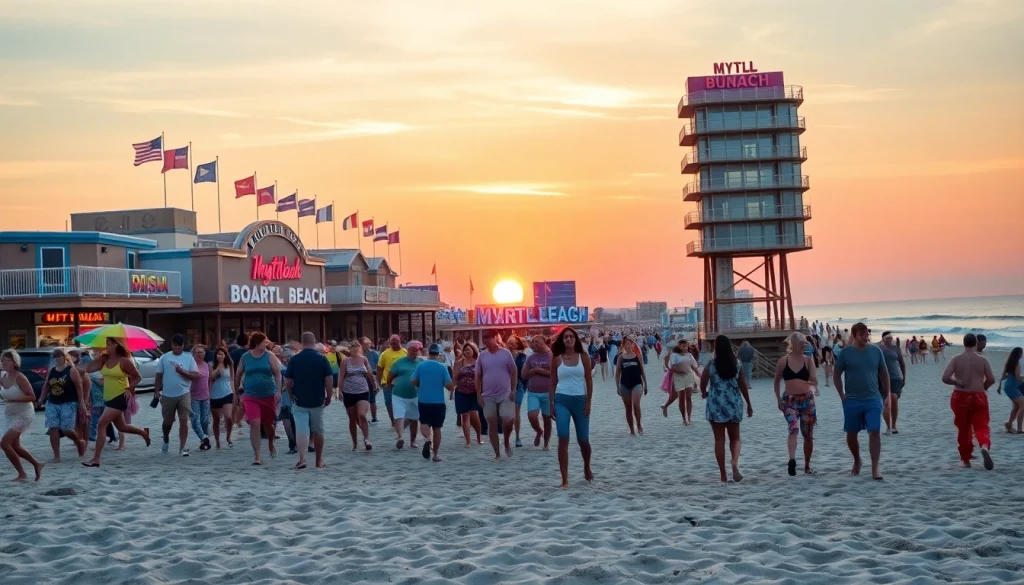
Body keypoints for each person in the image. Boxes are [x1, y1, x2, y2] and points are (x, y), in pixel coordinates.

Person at [832, 323, 889, 481]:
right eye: (862, 334)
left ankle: (875, 467)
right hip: (852, 400)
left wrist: (887, 395)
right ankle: (857, 459)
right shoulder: (846, 353)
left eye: (867, 334)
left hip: (872, 398)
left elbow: (884, 374)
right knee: (851, 433)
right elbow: (836, 375)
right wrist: (842, 395)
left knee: (875, 431)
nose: (866, 337)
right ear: (855, 335)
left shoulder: (876, 351)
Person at [83, 338, 151, 467]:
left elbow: (138, 377)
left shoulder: (124, 361)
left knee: (101, 424)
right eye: (106, 344)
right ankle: (143, 432)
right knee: (122, 427)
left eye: (109, 344)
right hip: (108, 397)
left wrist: (130, 388)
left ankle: (96, 459)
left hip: (120, 396)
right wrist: (99, 354)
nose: (107, 346)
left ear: (117, 345)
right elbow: (89, 369)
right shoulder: (105, 359)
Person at [701, 335, 753, 482]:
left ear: (716, 347)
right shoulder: (737, 363)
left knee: (719, 439)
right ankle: (735, 463)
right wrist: (748, 403)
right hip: (733, 402)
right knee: (735, 438)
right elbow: (742, 384)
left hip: (716, 403)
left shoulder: (711, 364)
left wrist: (704, 392)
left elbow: (703, 381)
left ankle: (723, 475)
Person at [941, 333, 996, 469]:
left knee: (963, 428)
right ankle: (984, 446)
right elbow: (991, 379)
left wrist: (957, 381)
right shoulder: (983, 360)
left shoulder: (956, 359)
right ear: (976, 343)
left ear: (964, 344)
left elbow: (945, 378)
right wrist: (984, 387)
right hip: (978, 396)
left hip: (960, 396)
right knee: (982, 425)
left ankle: (966, 460)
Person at [550, 327, 594, 488]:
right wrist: (550, 404)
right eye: (565, 337)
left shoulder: (584, 357)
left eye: (571, 337)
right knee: (563, 437)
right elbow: (552, 383)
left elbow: (589, 381)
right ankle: (565, 479)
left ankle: (586, 466)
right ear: (562, 340)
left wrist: (589, 401)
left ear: (576, 339)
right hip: (561, 399)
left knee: (583, 440)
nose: (568, 339)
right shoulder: (556, 358)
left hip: (580, 400)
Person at [285, 332, 334, 469]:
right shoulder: (321, 359)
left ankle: (302, 459)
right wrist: (329, 395)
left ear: (302, 342)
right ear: (314, 342)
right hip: (317, 399)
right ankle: (319, 460)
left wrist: (290, 394)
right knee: (318, 430)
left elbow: (288, 381)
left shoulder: (294, 359)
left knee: (301, 430)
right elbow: (329, 379)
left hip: (300, 399)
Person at [234, 332, 283, 466]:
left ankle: (271, 443)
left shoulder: (270, 356)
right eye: (264, 342)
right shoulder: (245, 357)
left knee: (268, 424)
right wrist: (236, 391)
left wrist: (278, 390)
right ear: (257, 343)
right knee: (255, 423)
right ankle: (257, 456)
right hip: (250, 395)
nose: (266, 343)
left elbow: (277, 374)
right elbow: (238, 374)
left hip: (268, 395)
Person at [773, 333, 818, 476]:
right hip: (789, 401)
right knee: (793, 429)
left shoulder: (808, 360)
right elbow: (776, 381)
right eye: (801, 343)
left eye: (805, 343)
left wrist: (809, 382)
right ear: (793, 344)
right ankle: (792, 460)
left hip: (807, 400)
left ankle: (807, 466)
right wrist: (778, 400)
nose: (804, 345)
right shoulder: (783, 361)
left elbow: (814, 380)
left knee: (808, 435)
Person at [154, 334, 201, 457]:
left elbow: (196, 376)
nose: (177, 348)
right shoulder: (164, 358)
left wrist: (183, 372)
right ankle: (165, 439)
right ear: (172, 345)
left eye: (179, 346)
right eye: (175, 345)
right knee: (167, 422)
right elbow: (159, 375)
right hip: (168, 395)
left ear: (183, 346)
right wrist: (156, 391)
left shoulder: (189, 358)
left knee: (184, 420)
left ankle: (182, 448)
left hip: (184, 393)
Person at [38, 348, 88, 461]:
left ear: (64, 357)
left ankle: (78, 441)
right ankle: (56, 455)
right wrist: (41, 398)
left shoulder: (71, 370)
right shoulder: (52, 370)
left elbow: (79, 386)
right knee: (53, 428)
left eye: (59, 356)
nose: (57, 359)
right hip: (52, 402)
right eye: (55, 357)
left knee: (66, 429)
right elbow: (46, 385)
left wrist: (82, 402)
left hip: (68, 402)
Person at [1, 350, 44, 481]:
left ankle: (22, 474)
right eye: (2, 361)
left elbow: (32, 396)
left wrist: (15, 399)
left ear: (14, 362)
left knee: (4, 443)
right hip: (10, 414)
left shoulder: (20, 377)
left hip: (24, 413)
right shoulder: (2, 376)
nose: (3, 363)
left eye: (6, 361)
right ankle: (37, 464)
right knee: (15, 446)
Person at [476, 330, 518, 460]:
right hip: (488, 395)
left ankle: (506, 441)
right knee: (492, 424)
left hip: (504, 393)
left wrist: (513, 390)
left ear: (495, 338)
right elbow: (478, 376)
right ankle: (497, 454)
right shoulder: (482, 355)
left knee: (508, 420)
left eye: (488, 337)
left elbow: (514, 371)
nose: (485, 340)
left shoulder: (505, 353)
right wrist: (478, 394)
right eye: (484, 338)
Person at [412, 343, 454, 462]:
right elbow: (449, 385)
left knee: (424, 423)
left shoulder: (421, 366)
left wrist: (421, 384)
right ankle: (435, 455)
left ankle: (427, 439)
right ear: (438, 354)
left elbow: (413, 381)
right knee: (437, 428)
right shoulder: (442, 367)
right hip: (438, 402)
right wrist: (450, 389)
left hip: (424, 400)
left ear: (428, 353)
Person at [387, 341, 425, 450]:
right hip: (398, 394)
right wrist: (388, 385)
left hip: (415, 395)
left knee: (414, 418)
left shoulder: (420, 363)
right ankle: (401, 437)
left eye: (416, 350)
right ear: (407, 350)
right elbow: (390, 376)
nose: (413, 352)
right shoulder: (399, 362)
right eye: (411, 350)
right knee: (399, 415)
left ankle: (413, 441)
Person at [340, 340, 375, 451]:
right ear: (350, 349)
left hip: (363, 391)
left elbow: (369, 373)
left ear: (360, 348)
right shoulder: (345, 361)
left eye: (357, 347)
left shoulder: (364, 359)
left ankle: (367, 439)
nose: (355, 349)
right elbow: (341, 377)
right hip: (349, 392)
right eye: (353, 347)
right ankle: (355, 442)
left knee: (362, 415)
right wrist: (339, 391)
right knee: (353, 418)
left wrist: (374, 385)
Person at [522, 335, 554, 450]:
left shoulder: (551, 356)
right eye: (534, 342)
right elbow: (524, 375)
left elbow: (555, 374)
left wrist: (539, 370)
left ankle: (546, 442)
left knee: (547, 418)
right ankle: (539, 430)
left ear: (544, 343)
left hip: (547, 392)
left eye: (538, 342)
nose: (535, 344)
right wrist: (532, 370)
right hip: (533, 392)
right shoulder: (530, 358)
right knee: (532, 415)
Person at [614, 335, 647, 436]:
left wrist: (646, 384)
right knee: (628, 407)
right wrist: (617, 386)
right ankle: (632, 429)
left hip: (637, 383)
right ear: (623, 346)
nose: (628, 345)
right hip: (624, 384)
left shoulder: (637, 356)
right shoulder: (620, 357)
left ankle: (639, 424)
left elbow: (642, 370)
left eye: (630, 344)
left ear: (633, 345)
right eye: (626, 344)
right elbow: (617, 373)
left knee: (636, 405)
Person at [662, 340, 700, 425]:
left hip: (689, 376)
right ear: (679, 346)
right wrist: (680, 371)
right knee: (681, 398)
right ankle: (684, 418)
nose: (685, 348)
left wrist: (699, 374)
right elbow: (672, 368)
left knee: (689, 397)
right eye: (683, 346)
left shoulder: (689, 355)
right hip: (678, 377)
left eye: (686, 346)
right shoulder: (675, 355)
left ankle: (689, 418)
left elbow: (693, 366)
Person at [454, 342, 483, 446]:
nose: (467, 352)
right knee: (464, 416)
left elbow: (482, 376)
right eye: (465, 350)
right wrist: (452, 390)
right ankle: (468, 441)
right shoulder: (459, 363)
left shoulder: (478, 362)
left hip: (475, 392)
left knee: (474, 415)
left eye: (469, 350)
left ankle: (479, 437)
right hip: (461, 392)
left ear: (473, 351)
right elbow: (455, 378)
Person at [878, 332, 907, 435]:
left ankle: (893, 425)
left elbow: (902, 363)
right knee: (887, 402)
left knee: (894, 399)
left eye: (891, 338)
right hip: (881, 379)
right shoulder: (878, 349)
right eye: (887, 338)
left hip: (895, 378)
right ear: (883, 339)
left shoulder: (896, 349)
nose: (890, 339)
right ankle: (889, 426)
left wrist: (904, 377)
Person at [376, 335, 407, 425]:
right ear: (390, 343)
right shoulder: (385, 354)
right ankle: (393, 420)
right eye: (392, 343)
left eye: (396, 342)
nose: (394, 344)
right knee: (389, 401)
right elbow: (379, 368)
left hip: (402, 382)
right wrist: (379, 381)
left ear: (400, 342)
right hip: (387, 382)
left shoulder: (405, 352)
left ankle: (401, 419)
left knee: (403, 401)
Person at [188, 345, 213, 451]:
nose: (200, 354)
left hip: (205, 397)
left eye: (202, 352)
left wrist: (210, 393)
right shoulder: (190, 365)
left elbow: (210, 380)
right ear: (193, 354)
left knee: (205, 420)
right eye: (197, 352)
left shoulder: (207, 365)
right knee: (195, 420)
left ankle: (203, 440)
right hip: (194, 397)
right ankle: (204, 437)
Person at [209, 346, 235, 449]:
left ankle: (228, 437)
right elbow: (211, 378)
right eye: (218, 354)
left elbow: (232, 379)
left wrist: (234, 393)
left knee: (228, 417)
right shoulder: (211, 365)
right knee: (216, 420)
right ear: (215, 355)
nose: (220, 356)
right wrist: (218, 368)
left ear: (225, 355)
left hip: (227, 392)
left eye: (222, 354)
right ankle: (217, 441)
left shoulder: (229, 365)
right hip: (215, 394)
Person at [508, 336, 529, 449]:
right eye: (509, 343)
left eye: (513, 343)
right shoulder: (505, 356)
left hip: (519, 386)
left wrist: (524, 386)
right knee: (507, 412)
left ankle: (517, 437)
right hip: (505, 386)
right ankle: (507, 436)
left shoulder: (522, 357)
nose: (511, 345)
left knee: (516, 410)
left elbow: (525, 374)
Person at [997, 348, 1024, 434]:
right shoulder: (1017, 364)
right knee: (1022, 406)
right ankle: (1019, 429)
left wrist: (1000, 386)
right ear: (1019, 354)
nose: (1022, 355)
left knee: (1016, 407)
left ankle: (1008, 424)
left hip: (1008, 386)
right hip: (1012, 387)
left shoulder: (1009, 363)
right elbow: (1018, 378)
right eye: (1021, 353)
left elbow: (1004, 376)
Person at [359, 337, 381, 423]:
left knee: (372, 399)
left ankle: (374, 417)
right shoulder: (358, 354)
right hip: (361, 379)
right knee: (364, 399)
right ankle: (364, 418)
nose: (367, 346)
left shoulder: (373, 354)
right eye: (365, 344)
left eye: (368, 344)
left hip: (371, 378)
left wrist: (377, 379)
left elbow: (378, 366)